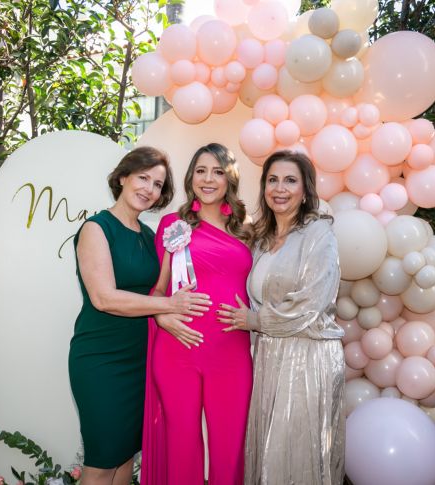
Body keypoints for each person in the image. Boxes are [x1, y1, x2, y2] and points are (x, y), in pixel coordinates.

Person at [68, 146, 212, 485]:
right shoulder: (96, 228)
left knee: (124, 461)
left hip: (141, 359)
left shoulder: (150, 236)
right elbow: (104, 298)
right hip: (101, 359)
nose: (149, 189)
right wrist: (169, 306)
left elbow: (159, 289)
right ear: (123, 177)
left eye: (158, 184)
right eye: (143, 178)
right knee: (103, 461)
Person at [218, 150, 346, 485]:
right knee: (269, 453)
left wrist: (255, 321)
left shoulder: (319, 234)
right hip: (268, 357)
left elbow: (312, 302)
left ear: (306, 190)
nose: (280, 188)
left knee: (298, 451)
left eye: (291, 180)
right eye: (272, 180)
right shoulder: (261, 238)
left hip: (308, 357)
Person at [141, 143, 254, 485]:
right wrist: (162, 317)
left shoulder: (246, 229)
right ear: (191, 177)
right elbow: (159, 290)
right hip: (178, 350)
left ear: (229, 179)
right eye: (201, 171)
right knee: (182, 447)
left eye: (218, 172)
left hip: (231, 353)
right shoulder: (173, 224)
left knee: (230, 450)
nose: (208, 179)